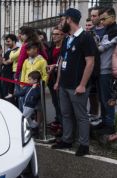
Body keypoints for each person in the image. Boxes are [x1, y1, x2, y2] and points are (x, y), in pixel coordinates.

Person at [52, 8, 97, 156]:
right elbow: (62, 60)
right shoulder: (67, 38)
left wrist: (82, 85)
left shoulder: (86, 37)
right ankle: (67, 140)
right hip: (64, 84)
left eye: (63, 19)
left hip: (77, 85)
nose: (61, 22)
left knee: (81, 115)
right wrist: (58, 81)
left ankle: (84, 145)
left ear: (69, 19)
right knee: (66, 114)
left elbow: (90, 62)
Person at [95, 7, 117, 136]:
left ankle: (109, 125)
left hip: (107, 70)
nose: (101, 21)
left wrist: (94, 46)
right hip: (102, 69)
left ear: (113, 17)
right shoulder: (108, 29)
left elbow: (103, 47)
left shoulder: (114, 31)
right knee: (102, 99)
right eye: (101, 18)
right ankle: (105, 122)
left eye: (104, 19)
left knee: (107, 99)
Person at [47, 27, 65, 131]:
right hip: (51, 77)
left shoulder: (64, 47)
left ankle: (63, 124)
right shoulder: (51, 46)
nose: (54, 36)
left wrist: (55, 65)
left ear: (62, 35)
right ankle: (58, 119)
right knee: (55, 101)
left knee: (61, 102)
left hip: (61, 77)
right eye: (53, 34)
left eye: (57, 34)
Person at [2, 34, 19, 98]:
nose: (7, 43)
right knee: (5, 94)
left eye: (8, 41)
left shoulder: (17, 50)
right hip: (5, 76)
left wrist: (5, 62)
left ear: (14, 41)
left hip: (12, 75)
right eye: (6, 41)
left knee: (12, 96)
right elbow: (3, 61)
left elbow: (7, 62)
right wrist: (5, 62)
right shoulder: (8, 51)